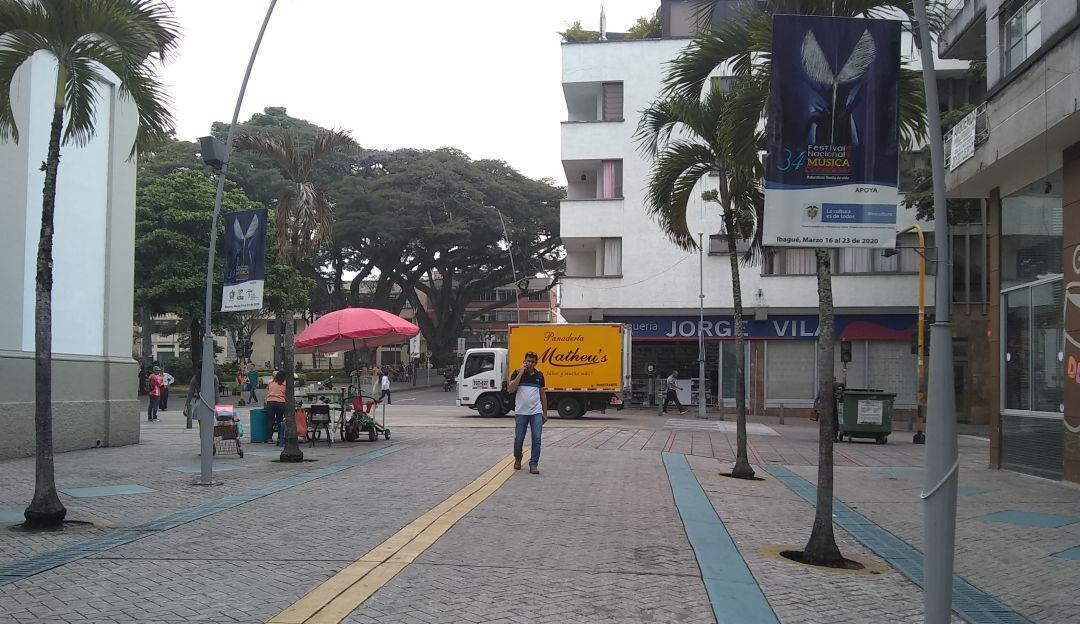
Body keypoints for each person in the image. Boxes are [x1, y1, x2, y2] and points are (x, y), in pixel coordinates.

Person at [508, 351, 547, 475]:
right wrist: (521, 373)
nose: (530, 364)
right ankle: (518, 458)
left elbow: (543, 395)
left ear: (536, 363)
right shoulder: (516, 372)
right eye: (528, 361)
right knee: (519, 438)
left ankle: (533, 464)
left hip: (536, 412)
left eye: (533, 362)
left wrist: (545, 413)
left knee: (537, 438)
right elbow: (510, 389)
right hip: (521, 412)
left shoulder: (539, 375)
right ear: (524, 361)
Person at [265, 370, 288, 445]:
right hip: (280, 402)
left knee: (270, 420)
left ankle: (269, 438)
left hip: (270, 402)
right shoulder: (285, 383)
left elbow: (269, 390)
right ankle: (279, 438)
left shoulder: (270, 382)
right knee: (279, 420)